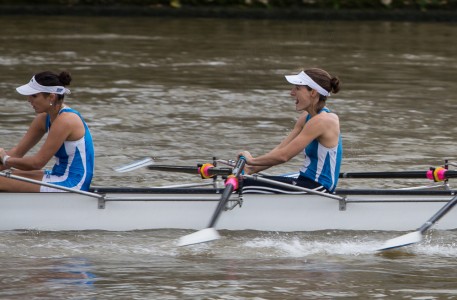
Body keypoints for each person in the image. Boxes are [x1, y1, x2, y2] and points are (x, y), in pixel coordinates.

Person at [239, 67, 342, 194]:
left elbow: (284, 156)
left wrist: (251, 160)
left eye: (297, 88)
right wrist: (251, 169)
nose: (292, 93)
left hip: (319, 187)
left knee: (244, 185)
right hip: (305, 178)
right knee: (246, 177)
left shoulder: (323, 120)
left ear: (313, 92)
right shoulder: (306, 117)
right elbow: (281, 150)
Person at [0, 71, 95, 192]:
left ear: (51, 97)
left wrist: (5, 159)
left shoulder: (66, 120)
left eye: (34, 96)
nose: (29, 100)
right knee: (8, 174)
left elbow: (37, 163)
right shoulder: (44, 118)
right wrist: (5, 159)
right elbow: (17, 152)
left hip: (73, 183)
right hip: (57, 175)